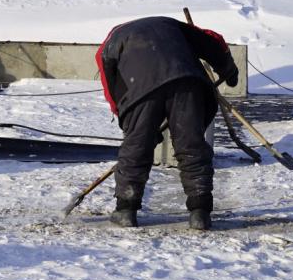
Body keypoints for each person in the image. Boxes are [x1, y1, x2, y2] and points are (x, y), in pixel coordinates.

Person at [96, 16, 239, 231]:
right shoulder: (171, 25)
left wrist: (132, 124)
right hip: (186, 81)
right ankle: (199, 213)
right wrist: (228, 69)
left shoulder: (110, 43)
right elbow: (212, 40)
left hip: (140, 89)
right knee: (191, 145)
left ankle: (126, 210)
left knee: (136, 146)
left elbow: (110, 85)